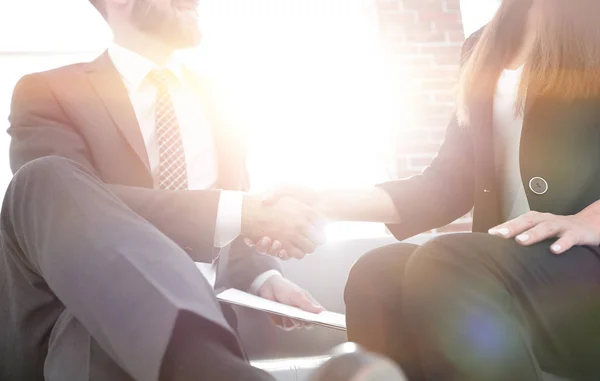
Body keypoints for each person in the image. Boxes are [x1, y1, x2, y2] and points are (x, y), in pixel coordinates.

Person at [0, 0, 410, 380]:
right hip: (87, 315)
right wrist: (243, 212)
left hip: (208, 313)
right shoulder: (49, 91)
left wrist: (263, 277)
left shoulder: (222, 98)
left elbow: (231, 222)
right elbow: (65, 212)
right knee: (46, 177)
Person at [251, 0, 600, 380]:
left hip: (582, 268)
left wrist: (589, 219)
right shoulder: (484, 44)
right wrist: (322, 200)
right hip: (504, 270)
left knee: (448, 264)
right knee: (378, 274)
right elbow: (445, 185)